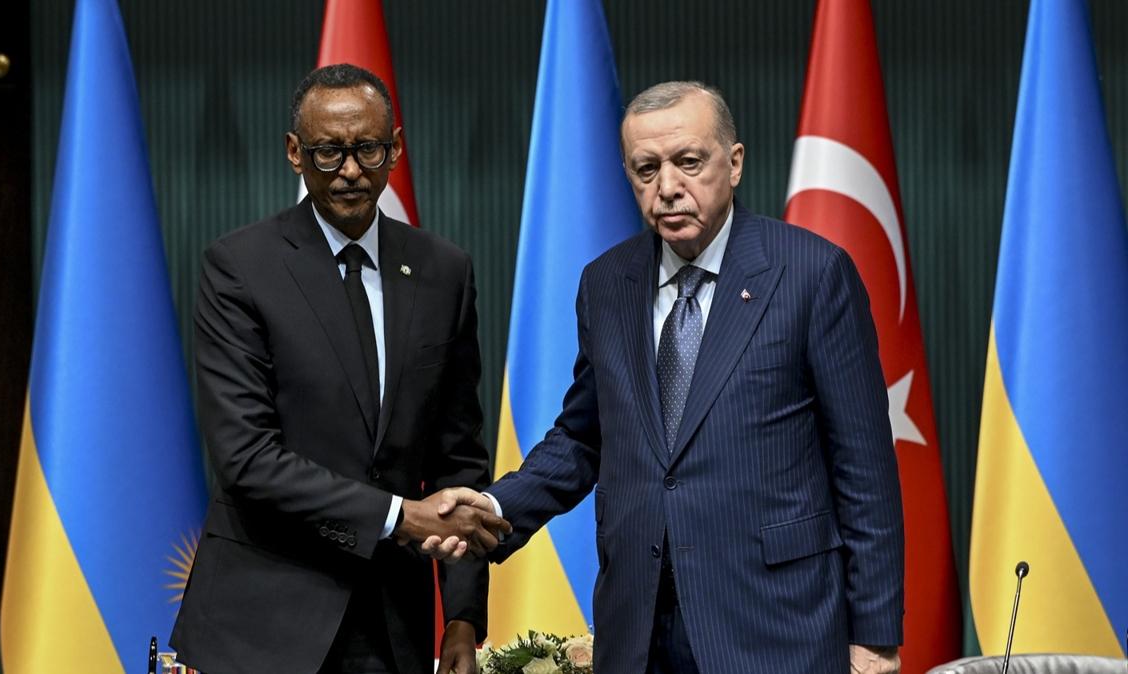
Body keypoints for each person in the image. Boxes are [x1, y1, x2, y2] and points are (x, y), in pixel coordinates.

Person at [426, 82, 904, 673]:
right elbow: (583, 436)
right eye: (646, 169)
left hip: (775, 626)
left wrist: (875, 638)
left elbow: (864, 465)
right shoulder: (606, 283)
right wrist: (492, 508)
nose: (668, 187)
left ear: (734, 164)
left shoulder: (812, 273)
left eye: (689, 162)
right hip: (639, 628)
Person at [170, 64, 510, 674]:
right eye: (328, 152)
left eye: (367, 149)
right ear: (294, 153)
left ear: (395, 149)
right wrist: (399, 516)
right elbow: (246, 457)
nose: (350, 171)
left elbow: (457, 457)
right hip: (264, 623)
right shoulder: (240, 267)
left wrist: (462, 616)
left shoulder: (444, 271)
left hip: (394, 627)